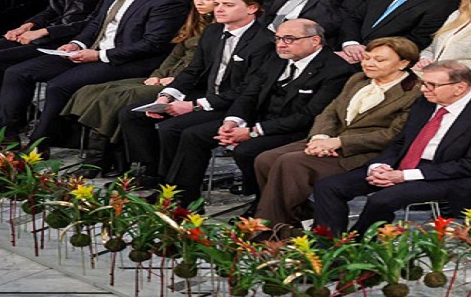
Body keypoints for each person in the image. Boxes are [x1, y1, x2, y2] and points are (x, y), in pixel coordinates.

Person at [0, 0, 188, 153]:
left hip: (127, 61)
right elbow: (95, 23)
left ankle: (39, 146)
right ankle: (6, 137)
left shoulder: (167, 0)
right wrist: (77, 43)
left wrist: (99, 55)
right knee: (17, 73)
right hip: (90, 52)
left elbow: (151, 44)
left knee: (59, 86)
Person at [148, 19, 355, 208]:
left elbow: (309, 115)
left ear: (315, 41)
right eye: (278, 38)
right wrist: (232, 121)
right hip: (260, 119)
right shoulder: (276, 59)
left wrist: (253, 132)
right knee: (194, 135)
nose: (281, 44)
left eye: (289, 39)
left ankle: (265, 202)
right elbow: (249, 94)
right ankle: (185, 201)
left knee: (247, 150)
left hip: (299, 128)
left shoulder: (336, 70)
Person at [313, 60, 471, 236]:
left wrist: (404, 176)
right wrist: (380, 166)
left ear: (459, 88)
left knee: (382, 200)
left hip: (451, 176)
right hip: (405, 165)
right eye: (424, 83)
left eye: (432, 85)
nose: (424, 89)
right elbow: (400, 141)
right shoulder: (424, 103)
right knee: (329, 187)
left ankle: (357, 245)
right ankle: (327, 244)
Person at [103, 0, 276, 180]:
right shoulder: (212, 31)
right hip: (210, 95)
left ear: (251, 8)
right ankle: (152, 172)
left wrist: (193, 105)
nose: (218, 9)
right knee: (132, 114)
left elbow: (247, 90)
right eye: (217, 3)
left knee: (173, 128)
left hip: (236, 105)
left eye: (228, 5)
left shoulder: (264, 41)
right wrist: (166, 96)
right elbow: (193, 71)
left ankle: (174, 183)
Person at [255, 37, 421, 227]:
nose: (369, 64)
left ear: (404, 63)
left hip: (363, 151)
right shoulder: (358, 79)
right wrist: (321, 137)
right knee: (265, 159)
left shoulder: (415, 92)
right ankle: (298, 218)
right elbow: (331, 111)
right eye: (366, 58)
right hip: (329, 139)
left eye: (379, 60)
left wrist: (339, 142)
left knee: (290, 163)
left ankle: (269, 229)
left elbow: (393, 135)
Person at [61, 0, 233, 148]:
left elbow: (204, 67)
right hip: (166, 77)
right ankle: (102, 151)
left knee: (122, 97)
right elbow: (174, 56)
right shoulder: (195, 22)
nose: (199, 2)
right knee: (96, 90)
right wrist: (157, 76)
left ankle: (102, 154)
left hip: (187, 85)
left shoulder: (223, 29)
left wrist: (174, 81)